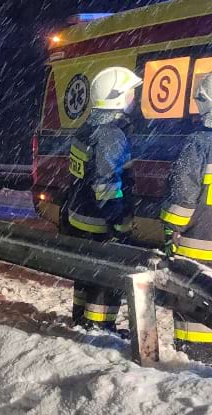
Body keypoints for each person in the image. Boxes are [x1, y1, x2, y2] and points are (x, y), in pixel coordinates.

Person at [63, 66, 143, 330]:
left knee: (86, 275)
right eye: (131, 92)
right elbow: (107, 188)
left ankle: (81, 320)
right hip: (100, 223)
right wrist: (119, 225)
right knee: (106, 278)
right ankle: (98, 330)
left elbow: (78, 178)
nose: (134, 97)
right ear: (117, 97)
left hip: (80, 218)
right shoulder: (111, 135)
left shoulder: (87, 129)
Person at [160, 70, 212, 365]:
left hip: (197, 251)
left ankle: (195, 371)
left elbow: (182, 196)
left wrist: (171, 229)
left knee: (195, 317)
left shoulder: (198, 143)